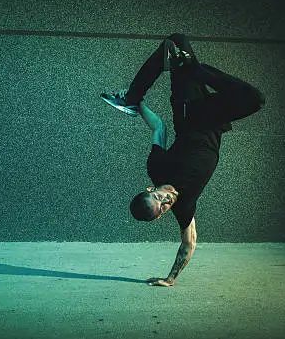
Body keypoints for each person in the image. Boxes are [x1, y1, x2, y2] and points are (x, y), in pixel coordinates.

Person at [101, 33, 265, 287]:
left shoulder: (157, 168)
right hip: (212, 119)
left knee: (175, 42)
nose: (165, 200)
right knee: (255, 99)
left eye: (157, 197)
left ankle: (132, 98)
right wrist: (170, 279)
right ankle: (192, 68)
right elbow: (189, 243)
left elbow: (159, 129)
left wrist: (140, 105)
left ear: (150, 189)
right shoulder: (184, 206)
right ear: (161, 216)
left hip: (188, 112)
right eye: (163, 208)